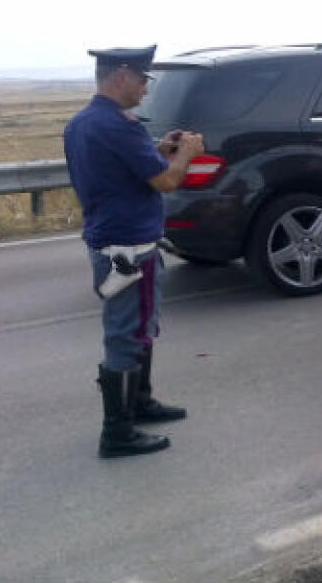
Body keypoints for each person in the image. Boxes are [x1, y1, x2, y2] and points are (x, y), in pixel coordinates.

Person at [63, 45, 205, 458]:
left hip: (108, 239)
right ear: (122, 76)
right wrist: (186, 155)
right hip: (129, 247)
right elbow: (164, 183)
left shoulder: (83, 123)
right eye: (143, 79)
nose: (145, 88)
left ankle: (139, 402)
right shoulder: (119, 127)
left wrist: (159, 149)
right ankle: (118, 431)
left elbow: (125, 170)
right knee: (126, 334)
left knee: (139, 327)